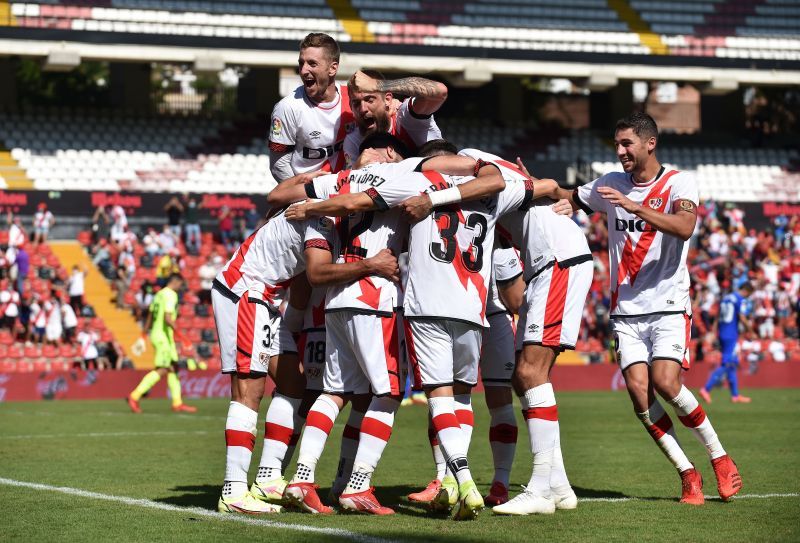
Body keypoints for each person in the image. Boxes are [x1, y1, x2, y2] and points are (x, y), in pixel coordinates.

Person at [284, 133, 559, 519]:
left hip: (342, 299)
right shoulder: (416, 174)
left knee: (335, 392)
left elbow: (343, 201)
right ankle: (371, 484)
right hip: (393, 299)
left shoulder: (351, 179)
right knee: (399, 393)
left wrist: (311, 207)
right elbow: (524, 183)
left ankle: (302, 476)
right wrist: (562, 192)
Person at [545, 112, 742, 505]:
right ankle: (688, 474)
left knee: (667, 383)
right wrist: (535, 188)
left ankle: (719, 457)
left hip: (669, 304)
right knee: (639, 395)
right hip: (626, 310)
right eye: (617, 144)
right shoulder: (611, 184)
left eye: (626, 144)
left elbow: (684, 226)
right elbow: (573, 197)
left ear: (650, 143)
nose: (620, 152)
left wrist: (636, 209)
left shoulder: (679, 183)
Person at [210, 198, 398, 515]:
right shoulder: (320, 221)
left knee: (294, 384)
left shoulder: (316, 214)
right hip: (246, 291)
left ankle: (269, 477)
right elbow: (316, 273)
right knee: (248, 390)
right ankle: (234, 490)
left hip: (267, 300)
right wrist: (371, 264)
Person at [268, 33, 354, 181]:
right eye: (301, 63)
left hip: (343, 193)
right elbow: (279, 165)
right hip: (306, 196)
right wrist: (304, 194)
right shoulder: (287, 107)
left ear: (332, 68)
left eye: (312, 64)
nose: (303, 70)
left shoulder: (354, 100)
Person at [343, 69, 447, 169]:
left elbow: (440, 92)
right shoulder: (354, 140)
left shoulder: (405, 117)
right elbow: (348, 182)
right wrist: (356, 168)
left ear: (387, 100)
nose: (362, 109)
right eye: (356, 103)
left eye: (369, 100)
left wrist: (382, 85)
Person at [127, 274, 197, 414]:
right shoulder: (171, 295)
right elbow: (167, 318)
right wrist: (183, 337)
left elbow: (150, 315)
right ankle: (134, 396)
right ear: (175, 281)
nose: (180, 288)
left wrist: (143, 334)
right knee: (163, 368)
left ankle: (177, 403)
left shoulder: (158, 294)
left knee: (173, 368)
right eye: (180, 284)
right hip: (163, 337)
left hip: (158, 334)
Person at [700, 283, 755, 404]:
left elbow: (718, 315)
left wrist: (714, 331)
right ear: (746, 291)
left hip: (722, 332)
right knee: (726, 363)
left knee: (732, 363)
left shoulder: (726, 297)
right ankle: (706, 389)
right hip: (730, 333)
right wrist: (751, 331)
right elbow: (742, 317)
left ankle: (735, 395)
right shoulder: (739, 299)